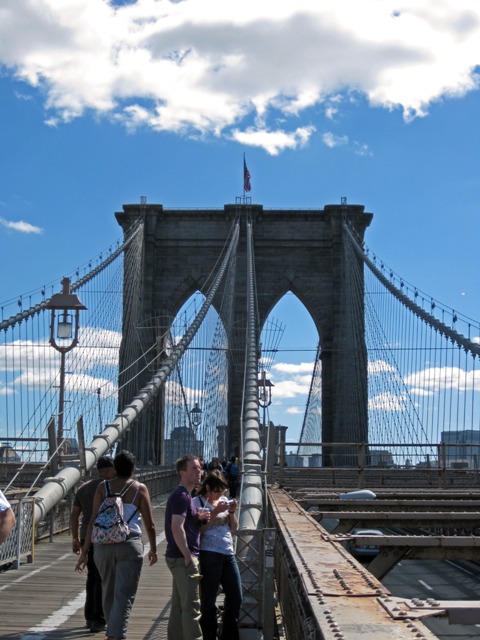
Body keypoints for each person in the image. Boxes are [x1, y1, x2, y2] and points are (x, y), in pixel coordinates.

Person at [75, 450, 158, 640]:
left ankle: (111, 633)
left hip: (102, 546)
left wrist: (85, 551)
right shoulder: (139, 488)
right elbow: (150, 524)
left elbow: (93, 520)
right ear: (133, 469)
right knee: (124, 593)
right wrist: (153, 549)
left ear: (115, 469)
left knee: (108, 589)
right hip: (129, 544)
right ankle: (116, 636)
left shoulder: (103, 487)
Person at [164, 454, 208, 640]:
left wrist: (197, 519)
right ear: (182, 473)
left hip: (178, 557)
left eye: (200, 468)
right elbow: (176, 526)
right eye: (194, 469)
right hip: (183, 558)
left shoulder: (185, 496)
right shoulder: (182, 496)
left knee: (178, 607)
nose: (199, 472)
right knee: (192, 607)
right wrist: (188, 555)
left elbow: (182, 523)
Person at [193, 473, 242, 640]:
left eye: (223, 491)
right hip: (209, 554)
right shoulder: (196, 502)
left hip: (228, 553)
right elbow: (200, 530)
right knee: (209, 600)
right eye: (217, 491)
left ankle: (228, 635)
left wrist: (232, 512)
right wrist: (215, 512)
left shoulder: (223, 502)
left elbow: (234, 529)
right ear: (208, 488)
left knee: (236, 596)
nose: (220, 494)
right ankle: (209, 635)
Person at [71, 455, 116, 633]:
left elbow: (75, 514)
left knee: (92, 577)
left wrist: (75, 539)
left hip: (85, 537)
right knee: (102, 578)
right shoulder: (113, 487)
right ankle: (99, 618)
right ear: (109, 471)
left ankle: (90, 616)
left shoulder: (83, 488)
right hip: (105, 537)